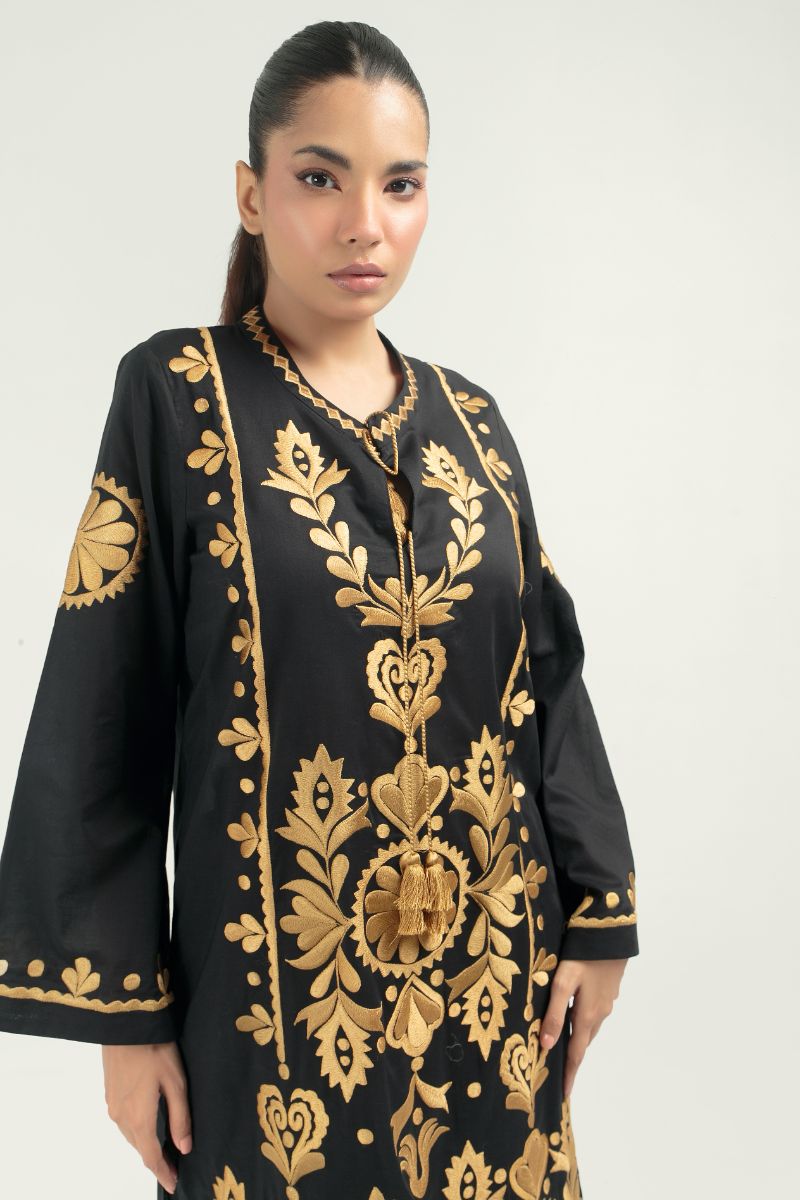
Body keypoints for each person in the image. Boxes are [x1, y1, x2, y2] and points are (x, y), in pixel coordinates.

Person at [0, 19, 639, 1200]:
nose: (363, 224)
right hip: (278, 1022)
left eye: (399, 184)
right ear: (251, 195)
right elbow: (102, 704)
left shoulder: (472, 423)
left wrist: (597, 917)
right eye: (318, 179)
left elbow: (543, 680)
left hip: (493, 995)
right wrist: (126, 1021)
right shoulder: (178, 397)